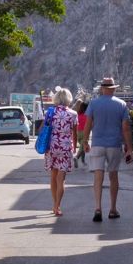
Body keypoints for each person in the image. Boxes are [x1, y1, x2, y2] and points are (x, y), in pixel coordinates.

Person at [80, 77, 132, 222]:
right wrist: (129, 148)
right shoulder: (121, 104)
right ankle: (113, 209)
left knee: (98, 176)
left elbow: (88, 124)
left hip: (97, 144)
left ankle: (97, 208)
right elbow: (126, 128)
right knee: (113, 176)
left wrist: (85, 142)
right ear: (114, 88)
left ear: (102, 89)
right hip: (114, 145)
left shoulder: (94, 104)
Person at [45, 88, 79, 217]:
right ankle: (57, 206)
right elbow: (74, 133)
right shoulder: (73, 114)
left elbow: (43, 128)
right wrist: (75, 147)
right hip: (65, 147)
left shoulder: (50, 112)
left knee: (53, 177)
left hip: (52, 146)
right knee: (61, 179)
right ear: (68, 99)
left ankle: (55, 204)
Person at [73, 98, 90, 168]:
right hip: (84, 132)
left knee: (82, 146)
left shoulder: (77, 114)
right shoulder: (87, 115)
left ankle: (83, 160)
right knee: (83, 146)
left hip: (78, 132)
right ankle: (76, 157)